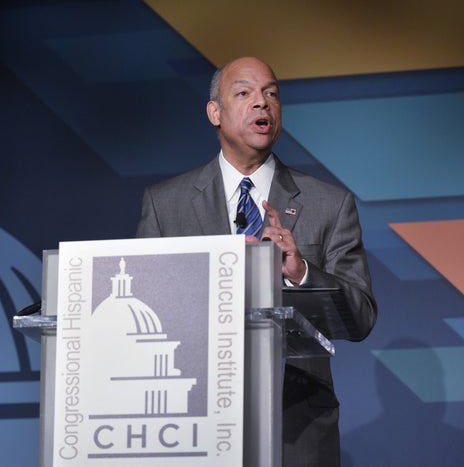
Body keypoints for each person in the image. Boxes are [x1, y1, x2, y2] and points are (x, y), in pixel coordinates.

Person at [136, 56, 377, 466]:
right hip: (191, 425)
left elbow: (360, 318)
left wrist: (301, 272)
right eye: (244, 92)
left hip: (295, 430)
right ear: (215, 112)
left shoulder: (329, 204)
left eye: (271, 94)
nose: (262, 102)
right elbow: (144, 312)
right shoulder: (165, 204)